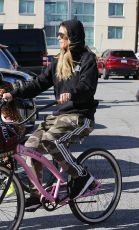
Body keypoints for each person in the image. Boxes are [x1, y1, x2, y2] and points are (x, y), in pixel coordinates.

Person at [2, 19, 99, 211]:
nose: (59, 38)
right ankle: (36, 193)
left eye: (62, 35)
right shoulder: (58, 61)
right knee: (30, 146)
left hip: (80, 116)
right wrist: (13, 93)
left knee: (51, 141)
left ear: (72, 38)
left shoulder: (88, 59)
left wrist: (72, 94)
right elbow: (38, 84)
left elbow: (87, 87)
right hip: (59, 117)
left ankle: (82, 176)